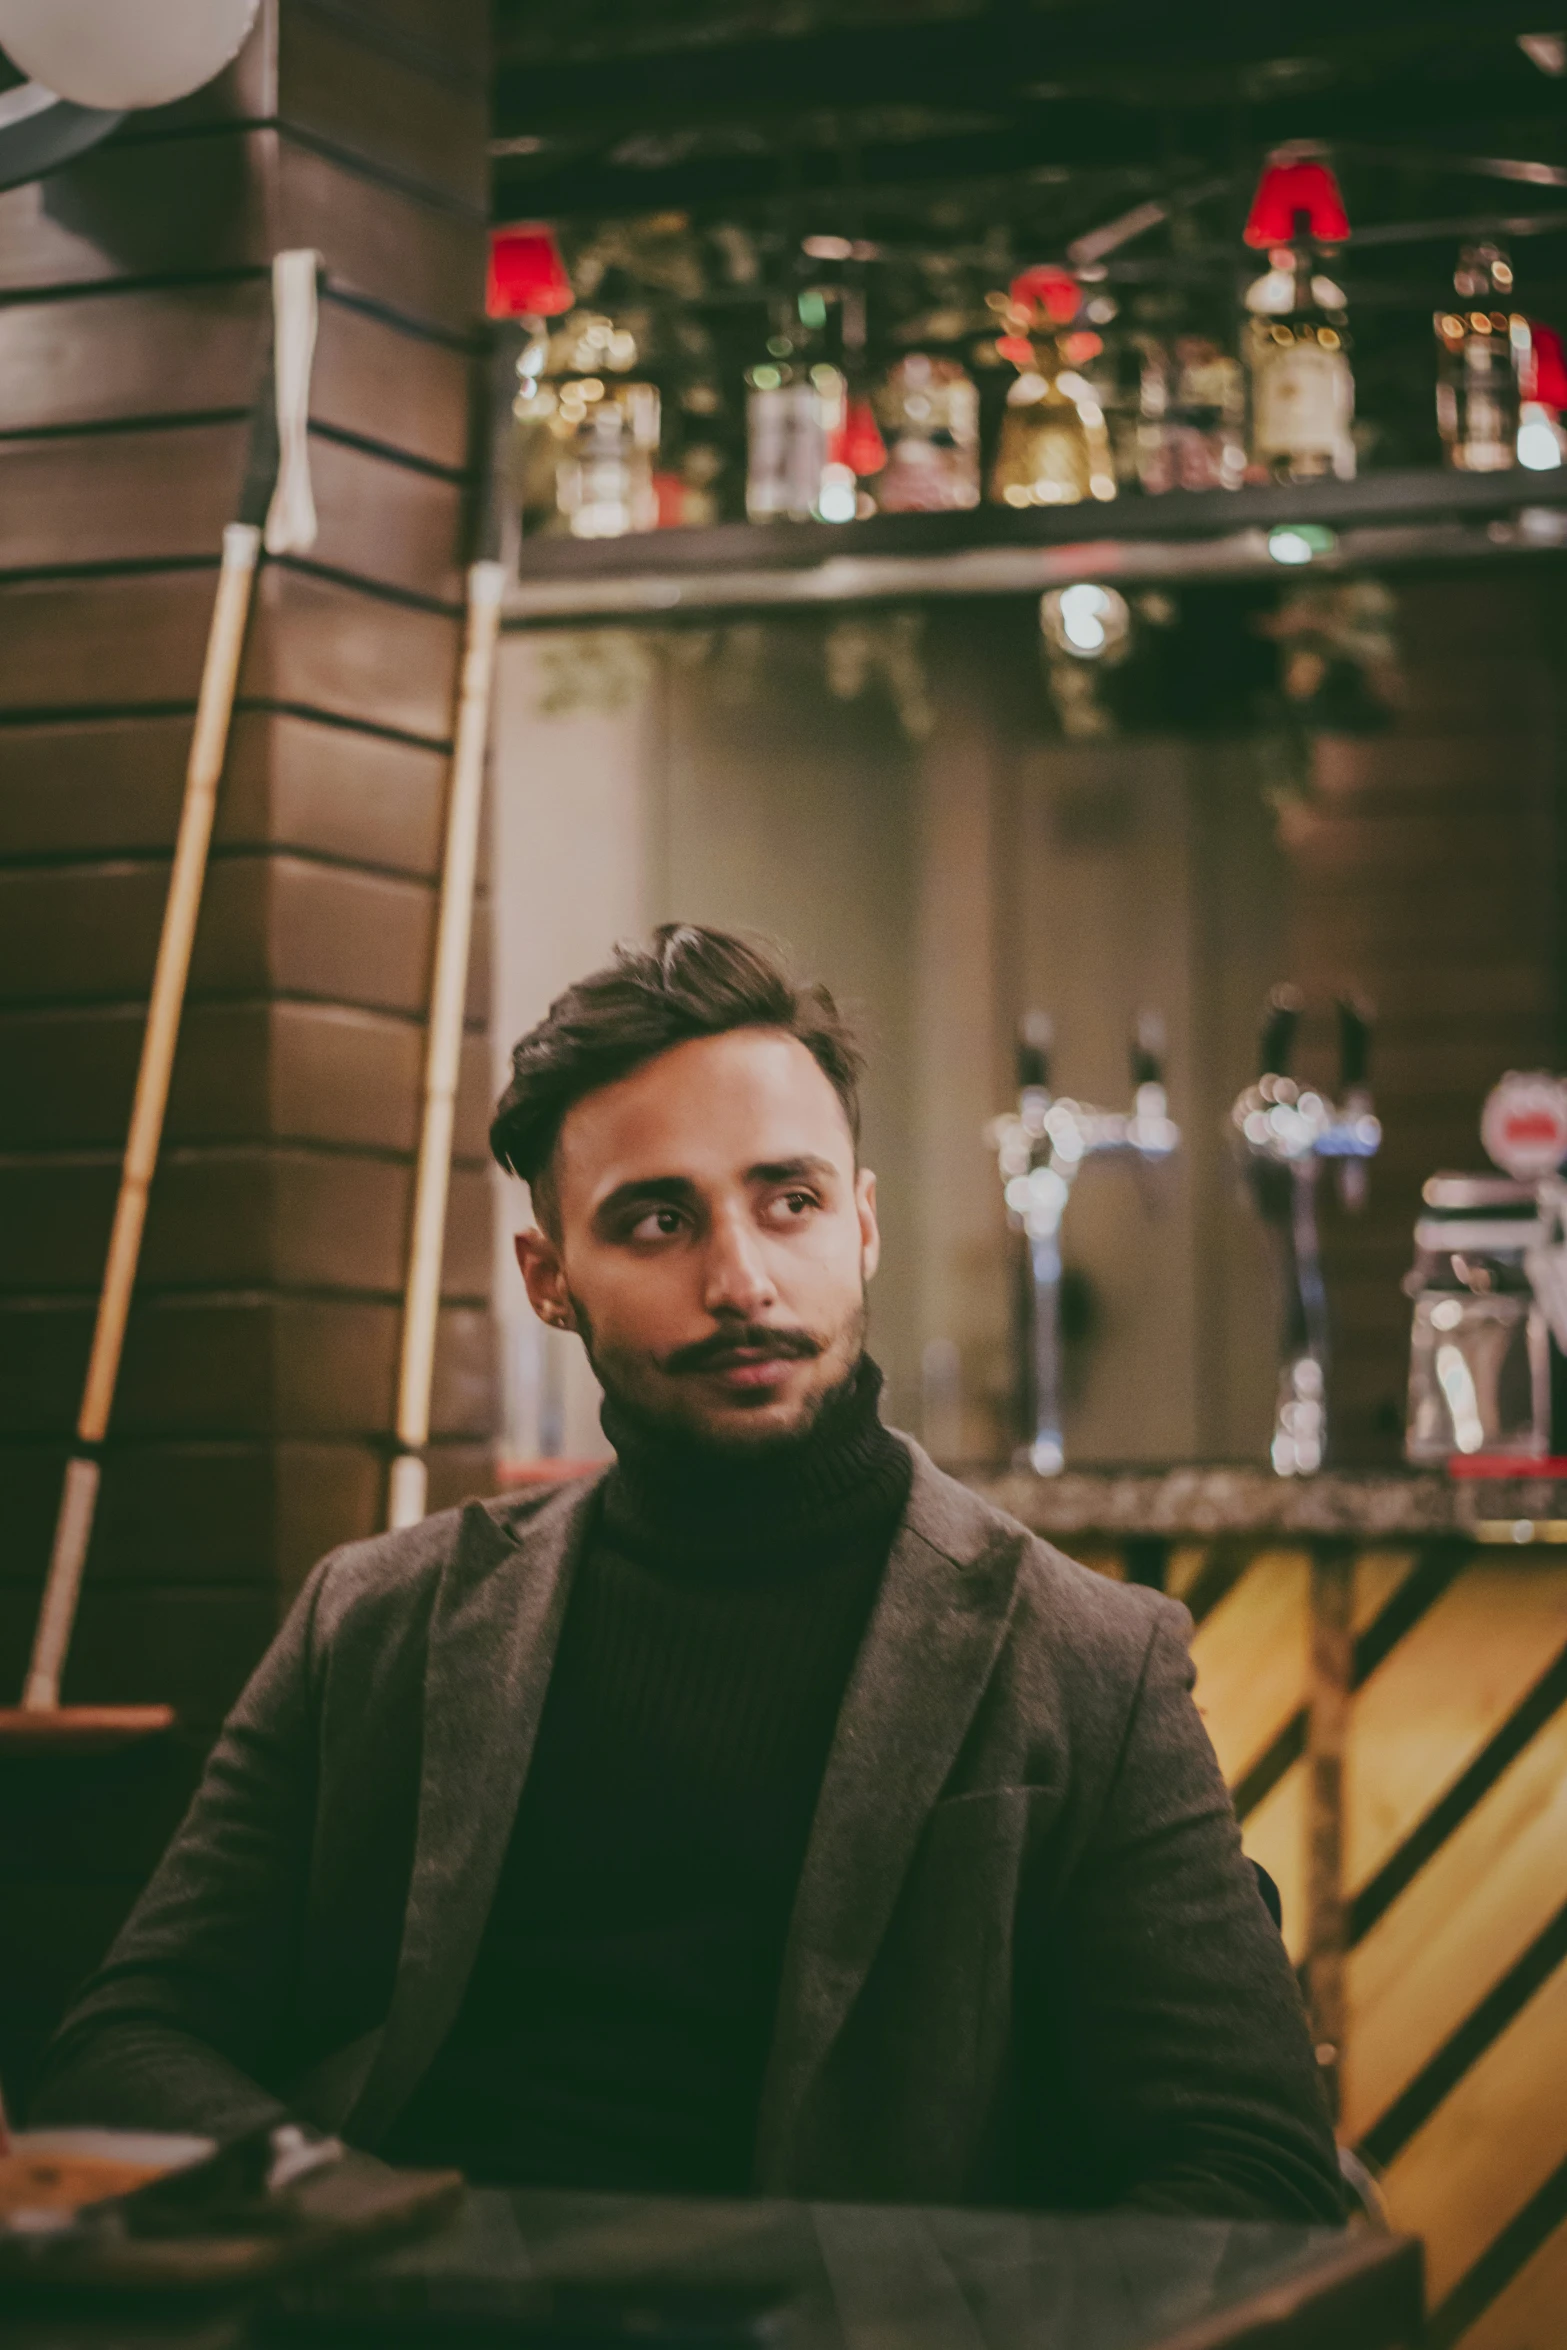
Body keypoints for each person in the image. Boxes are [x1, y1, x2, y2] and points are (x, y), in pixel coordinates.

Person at [33, 925, 1342, 2219]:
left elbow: (1250, 2164)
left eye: (789, 1200)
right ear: (549, 1278)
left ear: (862, 1223)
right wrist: (353, 2216)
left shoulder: (1086, 1660)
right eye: (657, 1219)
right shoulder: (377, 1621)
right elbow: (126, 2040)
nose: (741, 1279)